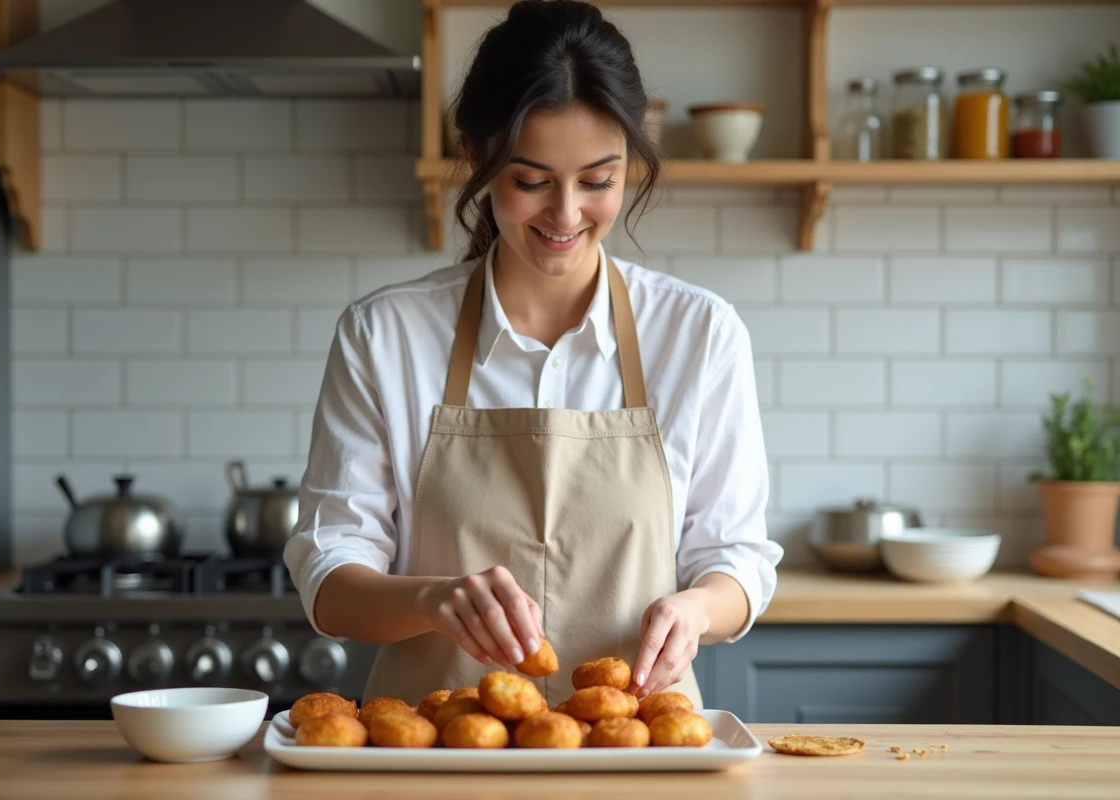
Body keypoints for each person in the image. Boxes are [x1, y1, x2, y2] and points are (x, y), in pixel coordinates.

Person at [284, 0, 782, 707]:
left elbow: (736, 557)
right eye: (531, 180)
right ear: (476, 159)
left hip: (636, 758)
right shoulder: (384, 335)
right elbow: (329, 577)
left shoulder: (700, 334)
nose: (567, 214)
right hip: (434, 759)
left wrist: (697, 609)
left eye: (598, 180)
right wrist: (432, 599)